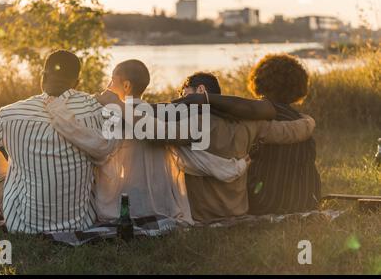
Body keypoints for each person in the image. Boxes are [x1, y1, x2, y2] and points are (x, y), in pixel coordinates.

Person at [45, 60, 252, 224]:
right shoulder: (161, 118)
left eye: (111, 81)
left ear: (125, 85)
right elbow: (196, 158)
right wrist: (236, 166)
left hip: (119, 207)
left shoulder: (115, 114)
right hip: (161, 206)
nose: (107, 86)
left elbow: (99, 148)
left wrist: (61, 116)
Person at [0, 50, 106, 234]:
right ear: (77, 83)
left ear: (43, 76)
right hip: (81, 222)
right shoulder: (95, 109)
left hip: (24, 222)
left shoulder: (12, 113)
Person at [175, 72, 316, 223]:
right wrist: (309, 121)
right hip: (245, 208)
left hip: (210, 212)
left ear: (201, 90)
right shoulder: (250, 121)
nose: (183, 101)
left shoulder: (191, 125)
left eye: (186, 95)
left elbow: (155, 133)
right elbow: (290, 132)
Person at [246, 54, 321, 215]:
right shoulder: (299, 119)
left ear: (259, 81)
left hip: (264, 203)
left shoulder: (257, 117)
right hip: (304, 201)